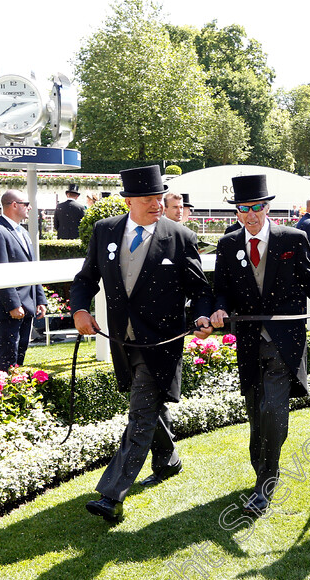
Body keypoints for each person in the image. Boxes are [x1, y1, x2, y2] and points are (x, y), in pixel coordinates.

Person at [70, 165, 213, 524]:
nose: (156, 204)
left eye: (159, 197)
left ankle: (112, 494)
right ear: (129, 201)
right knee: (148, 406)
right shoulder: (105, 232)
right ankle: (168, 460)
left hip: (162, 342)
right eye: (148, 198)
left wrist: (201, 316)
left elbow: (199, 290)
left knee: (141, 412)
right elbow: (85, 278)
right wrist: (80, 310)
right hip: (121, 339)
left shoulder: (180, 236)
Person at [210, 174, 310, 515]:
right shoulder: (228, 245)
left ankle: (264, 485)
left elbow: (309, 278)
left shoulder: (293, 238)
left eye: (256, 208)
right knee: (256, 412)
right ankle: (263, 469)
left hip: (284, 342)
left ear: (267, 207)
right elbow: (222, 288)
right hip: (249, 342)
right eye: (244, 209)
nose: (251, 215)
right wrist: (219, 308)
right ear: (237, 211)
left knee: (274, 410)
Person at [0, 190, 47, 371]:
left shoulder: (22, 232)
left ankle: (17, 394)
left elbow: (32, 268)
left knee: (19, 357)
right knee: (5, 360)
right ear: (14, 205)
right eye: (26, 204)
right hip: (7, 309)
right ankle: (2, 396)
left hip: (27, 306)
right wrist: (12, 305)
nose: (30, 207)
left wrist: (40, 299)